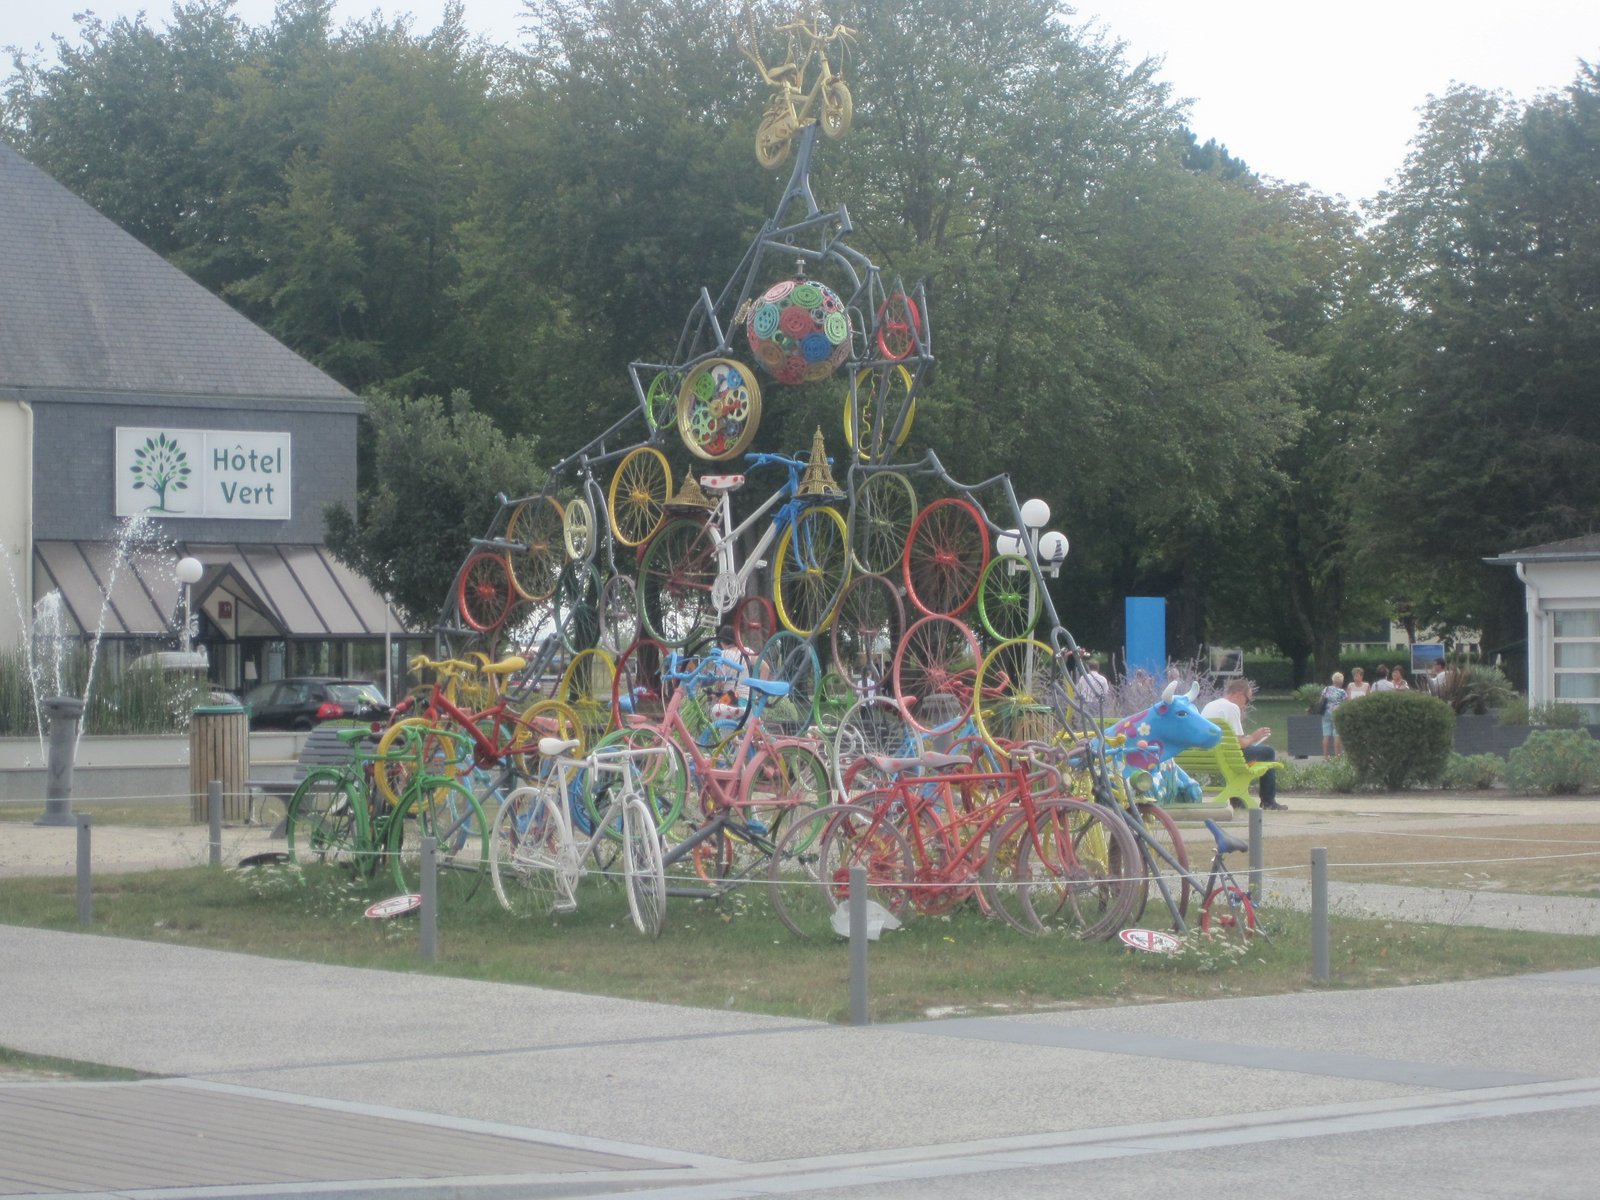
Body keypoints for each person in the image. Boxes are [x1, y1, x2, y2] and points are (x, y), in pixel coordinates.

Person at [1200, 677, 1286, 811]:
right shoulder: (1232, 707)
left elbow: (1232, 742)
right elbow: (1240, 744)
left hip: (1208, 756)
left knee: (1242, 756)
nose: (1246, 706)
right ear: (1239, 694)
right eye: (1247, 700)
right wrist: (1254, 737)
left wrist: (1249, 740)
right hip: (1226, 758)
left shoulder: (1210, 706)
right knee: (1268, 752)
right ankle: (1268, 801)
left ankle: (1238, 801)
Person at [1321, 671, 1348, 758]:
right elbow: (1346, 703)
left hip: (1326, 714)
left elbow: (1321, 700)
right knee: (1337, 735)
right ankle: (1337, 756)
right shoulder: (1342, 692)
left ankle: (1325, 757)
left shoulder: (1326, 689)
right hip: (1336, 714)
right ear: (1341, 681)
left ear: (1333, 680)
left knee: (1326, 735)